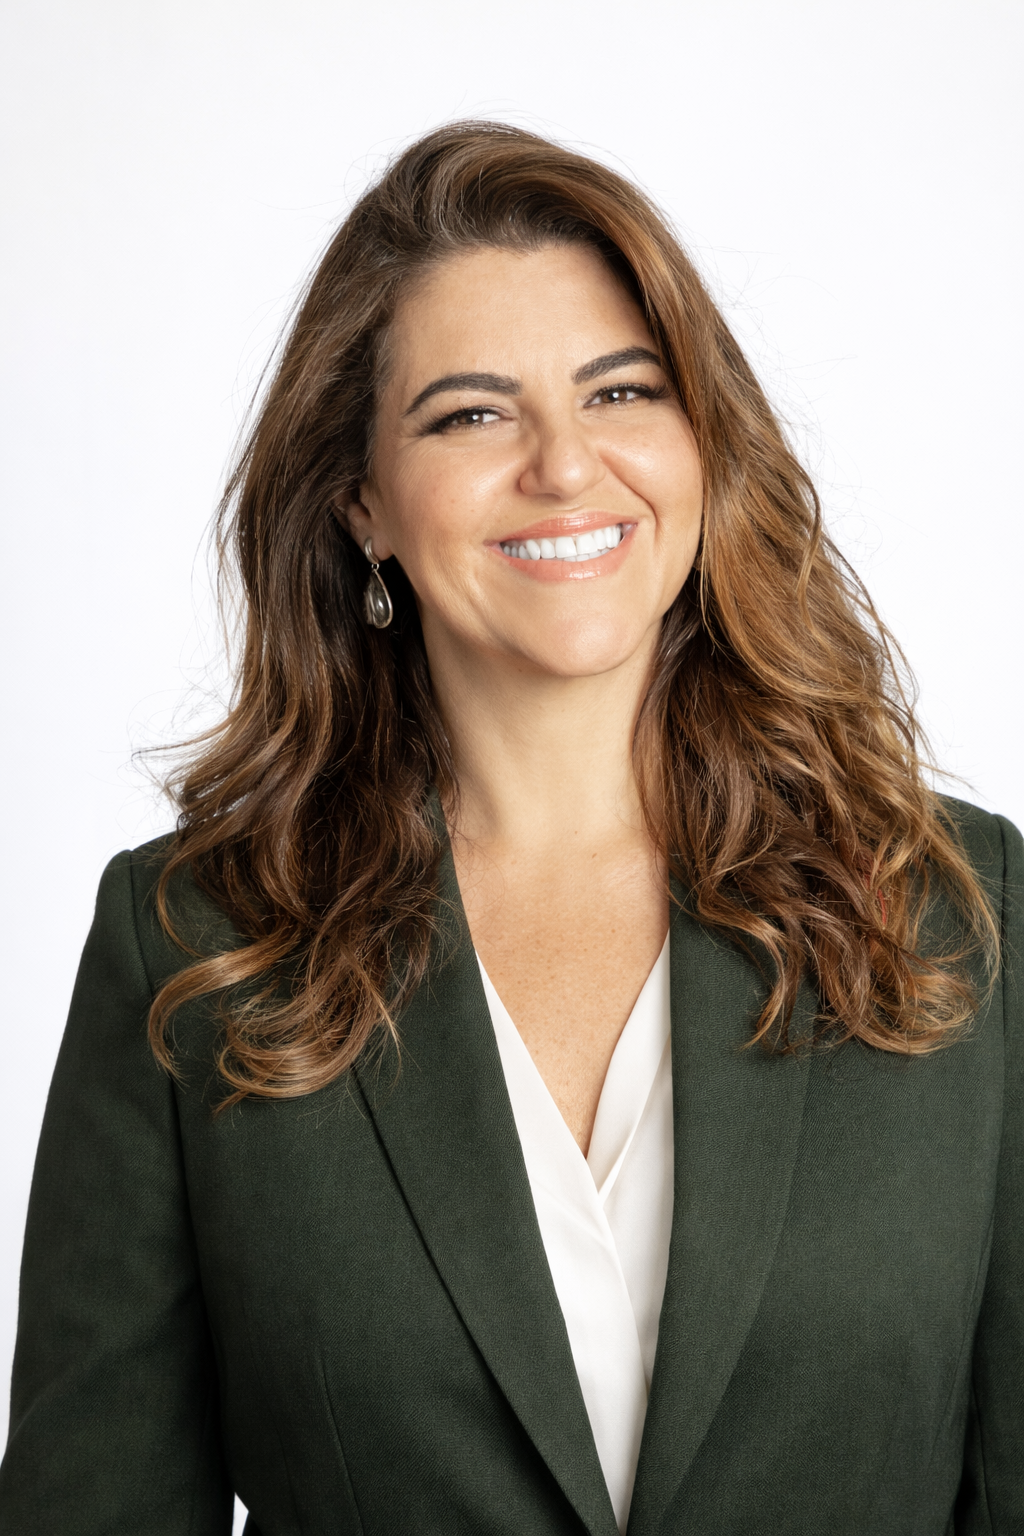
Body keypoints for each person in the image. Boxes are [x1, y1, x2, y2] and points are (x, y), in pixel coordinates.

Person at [0, 121, 1019, 1536]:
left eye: (623, 391)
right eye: (472, 414)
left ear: (702, 442)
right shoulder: (194, 946)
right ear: (363, 501)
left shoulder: (966, 913)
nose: (564, 465)